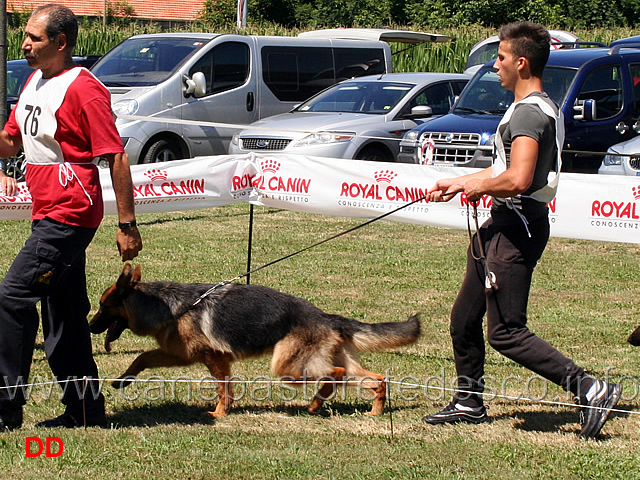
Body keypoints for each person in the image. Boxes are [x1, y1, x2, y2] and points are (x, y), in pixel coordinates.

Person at [423, 22, 620, 438]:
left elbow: (518, 179)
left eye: (500, 57)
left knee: (506, 331)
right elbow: (506, 172)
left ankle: (590, 388)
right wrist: (462, 181)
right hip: (503, 223)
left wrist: (477, 184)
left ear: (521, 62)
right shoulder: (532, 106)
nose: (495, 65)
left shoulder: (530, 112)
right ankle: (468, 400)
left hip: (518, 227)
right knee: (463, 318)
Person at [0, 4, 142, 429]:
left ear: (60, 43)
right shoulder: (33, 82)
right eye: (25, 35)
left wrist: (127, 225)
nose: (24, 43)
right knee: (62, 312)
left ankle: (5, 409)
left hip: (70, 214)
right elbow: (11, 141)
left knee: (11, 298)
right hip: (47, 212)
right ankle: (85, 410)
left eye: (34, 38)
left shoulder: (84, 88)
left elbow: (115, 154)